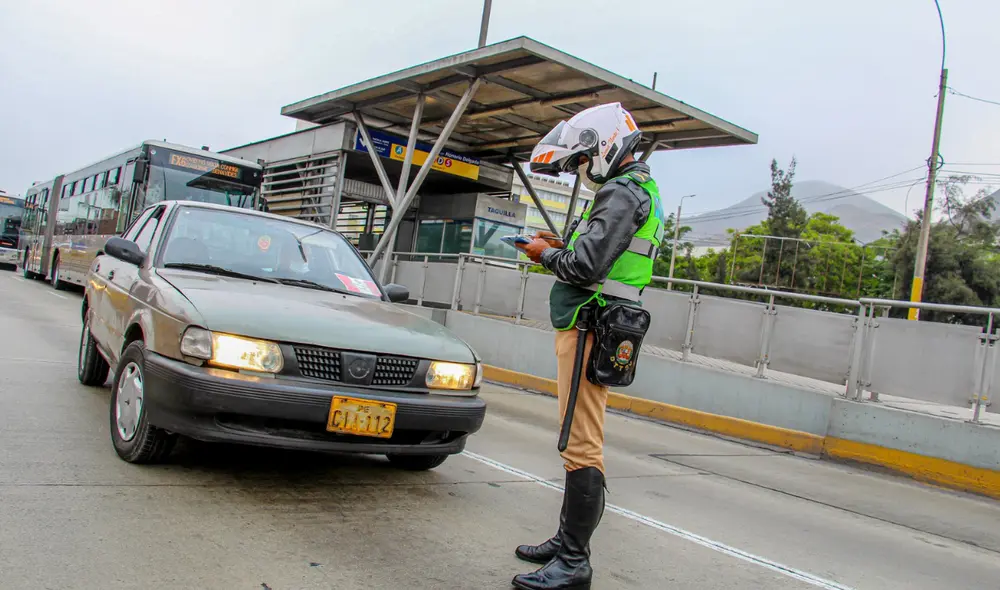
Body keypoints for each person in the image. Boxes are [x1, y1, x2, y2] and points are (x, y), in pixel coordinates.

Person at [510, 102, 666, 590]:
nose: (581, 167)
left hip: (590, 324)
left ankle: (574, 562)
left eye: (581, 159)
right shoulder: (638, 189)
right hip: (596, 323)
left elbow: (584, 268)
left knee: (580, 444)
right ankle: (565, 540)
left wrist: (544, 254)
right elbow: (594, 256)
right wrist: (553, 246)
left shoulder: (622, 192)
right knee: (577, 439)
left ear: (603, 147)